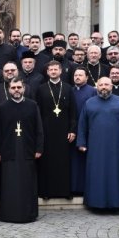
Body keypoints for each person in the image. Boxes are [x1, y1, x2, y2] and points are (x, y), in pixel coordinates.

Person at [75, 77, 119, 213]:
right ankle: (95, 203)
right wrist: (81, 142)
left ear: (111, 86)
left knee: (115, 173)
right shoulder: (89, 103)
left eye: (106, 84)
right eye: (101, 84)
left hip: (116, 146)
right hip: (95, 146)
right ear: (97, 87)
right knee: (96, 173)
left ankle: (115, 204)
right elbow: (82, 125)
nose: (103, 87)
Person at [0, 78, 44, 223]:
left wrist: (39, 148)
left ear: (24, 88)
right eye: (13, 87)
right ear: (9, 89)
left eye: (18, 87)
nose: (16, 90)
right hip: (8, 151)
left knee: (27, 183)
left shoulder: (32, 105)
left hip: (28, 150)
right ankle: (9, 214)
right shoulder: (2, 107)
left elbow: (39, 129)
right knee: (9, 184)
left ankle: (29, 214)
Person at [31, 61, 75, 200]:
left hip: (64, 131)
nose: (54, 72)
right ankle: (46, 192)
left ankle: (65, 191)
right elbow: (37, 111)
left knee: (63, 161)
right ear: (47, 72)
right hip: (47, 130)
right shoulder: (41, 89)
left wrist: (72, 130)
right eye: (51, 70)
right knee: (47, 162)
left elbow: (73, 112)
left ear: (61, 71)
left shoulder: (68, 88)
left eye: (56, 69)